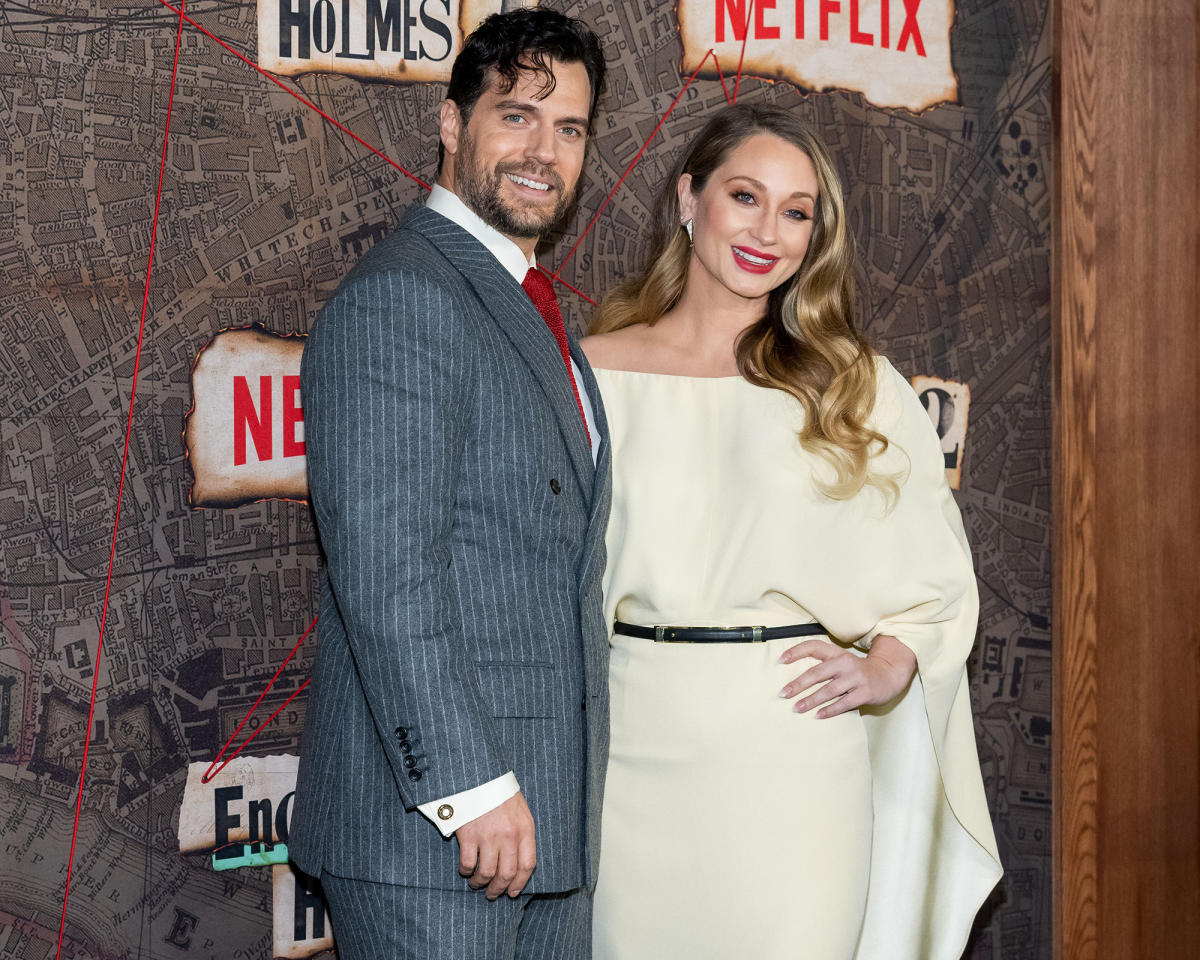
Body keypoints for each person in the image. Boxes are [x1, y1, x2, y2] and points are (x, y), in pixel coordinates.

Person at [582, 104, 1002, 960]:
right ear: (689, 198)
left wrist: (885, 664)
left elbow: (935, 575)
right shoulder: (590, 372)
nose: (768, 231)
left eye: (797, 211)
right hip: (626, 750)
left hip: (791, 759)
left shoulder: (852, 384)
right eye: (746, 196)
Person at [288, 10, 611, 959]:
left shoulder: (526, 305)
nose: (542, 152)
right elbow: (388, 575)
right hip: (436, 836)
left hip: (545, 823)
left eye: (569, 129)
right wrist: (470, 786)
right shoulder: (407, 296)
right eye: (516, 116)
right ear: (450, 122)